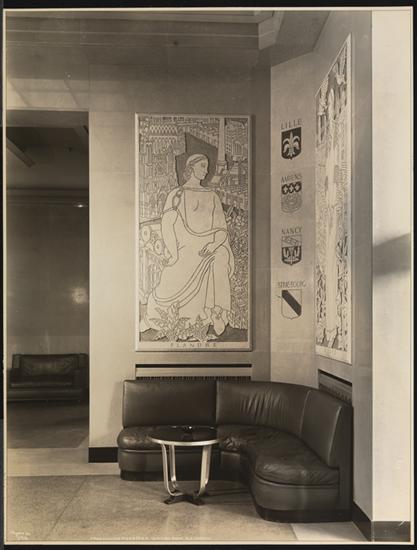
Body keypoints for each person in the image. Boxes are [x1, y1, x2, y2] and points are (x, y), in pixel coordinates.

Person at [139, 153, 235, 338]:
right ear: (191, 168)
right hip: (185, 247)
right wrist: (173, 253)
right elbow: (167, 225)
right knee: (173, 274)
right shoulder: (177, 194)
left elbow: (222, 229)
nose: (206, 170)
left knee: (221, 256)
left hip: (210, 245)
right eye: (202, 166)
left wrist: (214, 244)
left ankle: (217, 313)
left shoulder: (212, 196)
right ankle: (153, 317)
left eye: (207, 166)